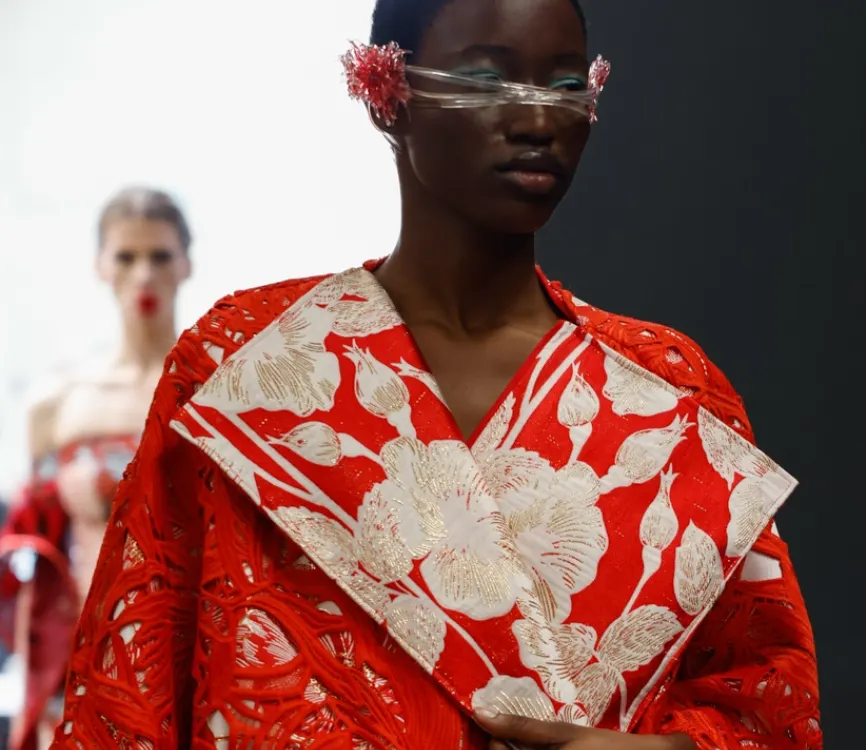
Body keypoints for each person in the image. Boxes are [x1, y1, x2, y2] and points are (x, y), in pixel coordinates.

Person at [52, 1, 822, 748]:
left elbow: (768, 704)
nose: (537, 120)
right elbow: (132, 696)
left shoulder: (668, 389)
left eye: (563, 86)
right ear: (386, 95)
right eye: (486, 81)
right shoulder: (245, 363)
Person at [0, 186, 193, 750]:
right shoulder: (57, 404)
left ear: (186, 262)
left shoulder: (215, 389)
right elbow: (31, 541)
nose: (143, 275)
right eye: (126, 257)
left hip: (191, 649)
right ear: (100, 265)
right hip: (82, 653)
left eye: (159, 255)